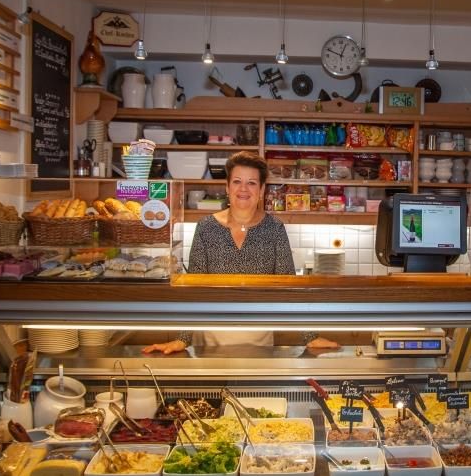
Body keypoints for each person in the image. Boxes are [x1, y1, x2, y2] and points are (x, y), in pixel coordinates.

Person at [142, 151, 338, 355]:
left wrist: (310, 336)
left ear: (262, 189)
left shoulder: (274, 228)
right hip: (209, 338)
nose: (243, 189)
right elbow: (194, 288)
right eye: (237, 181)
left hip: (258, 339)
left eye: (252, 183)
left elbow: (288, 288)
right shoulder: (206, 227)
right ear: (227, 187)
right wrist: (182, 339)